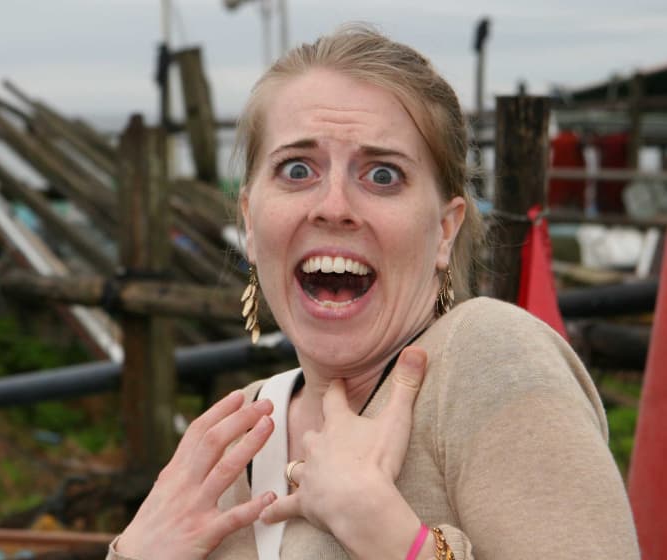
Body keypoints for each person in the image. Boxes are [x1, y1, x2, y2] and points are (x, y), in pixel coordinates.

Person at [108, 25, 639, 559]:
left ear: (445, 230)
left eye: (382, 175)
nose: (333, 206)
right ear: (249, 218)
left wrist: (391, 536)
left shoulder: (488, 359)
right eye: (297, 169)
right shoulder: (231, 439)